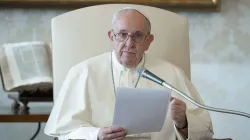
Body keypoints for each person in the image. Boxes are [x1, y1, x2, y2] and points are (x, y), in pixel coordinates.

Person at [44, 7, 214, 140]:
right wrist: (96, 135)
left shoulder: (172, 74)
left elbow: (205, 131)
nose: (129, 43)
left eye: (138, 36)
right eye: (122, 35)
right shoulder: (83, 72)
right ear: (111, 37)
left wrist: (183, 122)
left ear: (149, 41)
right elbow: (63, 132)